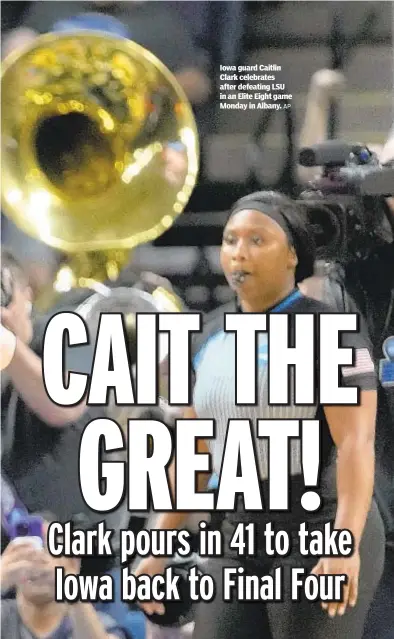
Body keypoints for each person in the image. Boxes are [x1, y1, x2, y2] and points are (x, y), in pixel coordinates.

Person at [135, 190, 385, 639]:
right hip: (238, 533)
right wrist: (158, 545)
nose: (239, 252)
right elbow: (194, 455)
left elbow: (355, 443)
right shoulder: (206, 335)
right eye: (230, 240)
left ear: (293, 254)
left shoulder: (334, 333)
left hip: (319, 524)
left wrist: (344, 543)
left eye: (257, 239)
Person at [0, 513, 128, 638]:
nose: (38, 559)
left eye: (49, 548)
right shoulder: (4, 616)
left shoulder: (97, 623)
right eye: (28, 549)